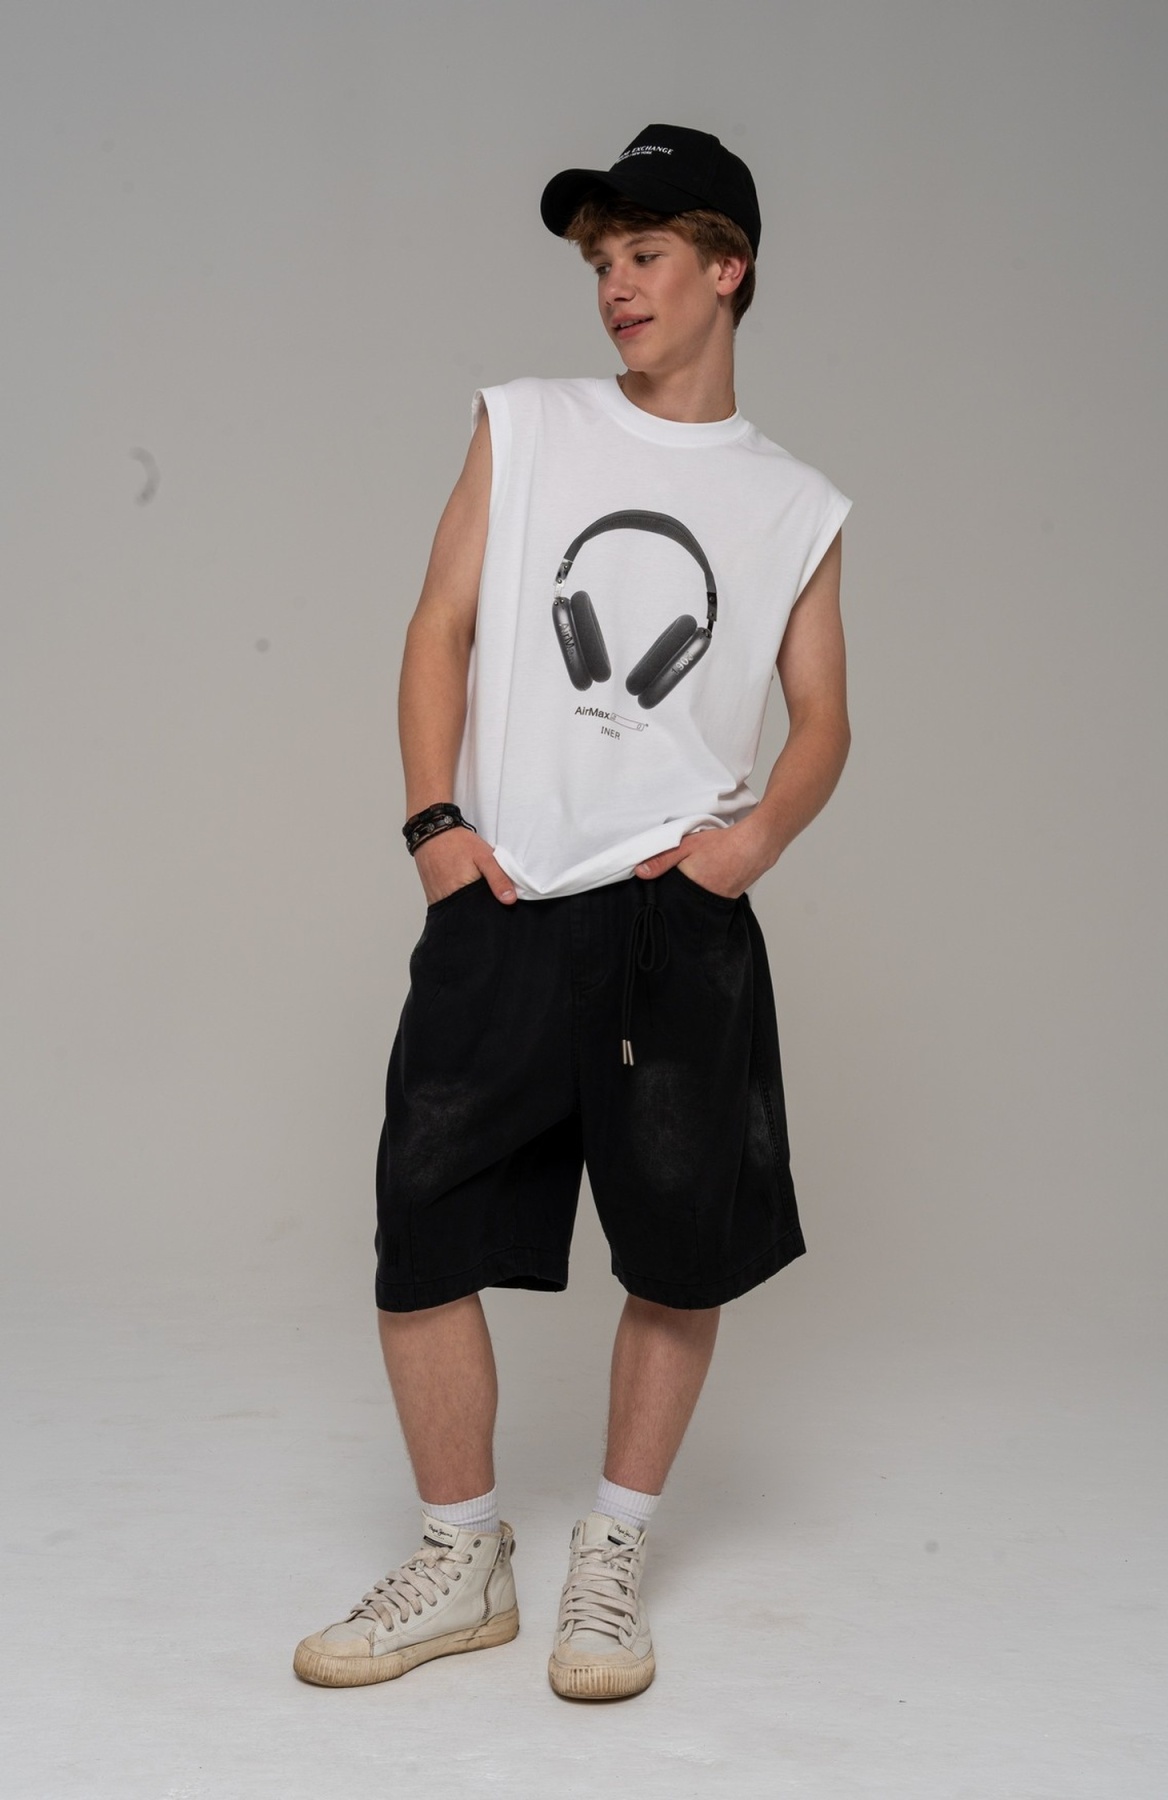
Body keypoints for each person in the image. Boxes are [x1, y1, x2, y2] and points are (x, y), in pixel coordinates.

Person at [294, 123, 852, 1702]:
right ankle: (460, 1555)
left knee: (678, 1251)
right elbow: (442, 622)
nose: (616, 285)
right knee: (423, 1228)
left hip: (677, 918)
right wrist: (435, 827)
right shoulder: (527, 424)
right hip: (510, 897)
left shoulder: (795, 504)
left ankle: (613, 1553)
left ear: (729, 268)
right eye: (602, 261)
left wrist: (755, 842)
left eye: (647, 255)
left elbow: (823, 717)